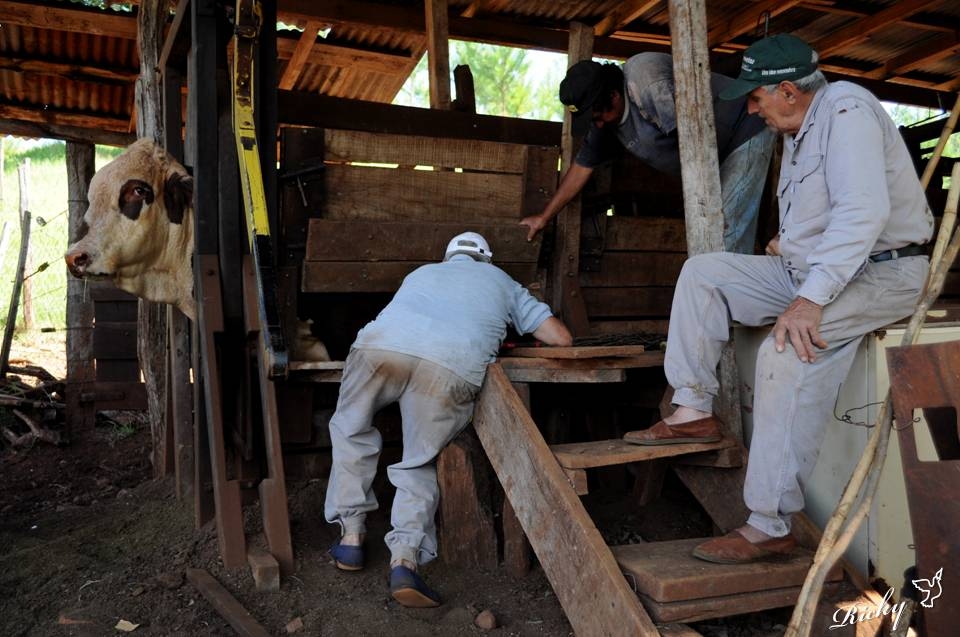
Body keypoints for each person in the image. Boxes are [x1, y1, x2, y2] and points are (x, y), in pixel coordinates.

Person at [621, 33, 934, 564]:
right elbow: (827, 214)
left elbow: (863, 214)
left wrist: (809, 300)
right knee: (705, 274)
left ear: (788, 91)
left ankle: (769, 524)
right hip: (817, 272)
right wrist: (790, 244)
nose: (750, 107)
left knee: (785, 349)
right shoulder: (797, 130)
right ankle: (693, 408)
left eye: (757, 97)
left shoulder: (848, 111)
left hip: (884, 276)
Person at [325, 232, 573, 606]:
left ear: (447, 257)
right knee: (419, 460)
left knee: (350, 430)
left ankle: (351, 538)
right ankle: (405, 560)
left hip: (381, 349)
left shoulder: (421, 274)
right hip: (450, 364)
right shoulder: (503, 281)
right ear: (486, 260)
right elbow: (561, 338)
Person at [520, 52, 776, 254]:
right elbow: (582, 167)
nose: (597, 125)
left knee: (725, 227)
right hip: (714, 155)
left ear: (614, 96)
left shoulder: (645, 80)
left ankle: (733, 315)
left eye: (598, 117)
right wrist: (544, 217)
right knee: (716, 230)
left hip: (745, 127)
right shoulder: (605, 121)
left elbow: (692, 142)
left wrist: (705, 205)